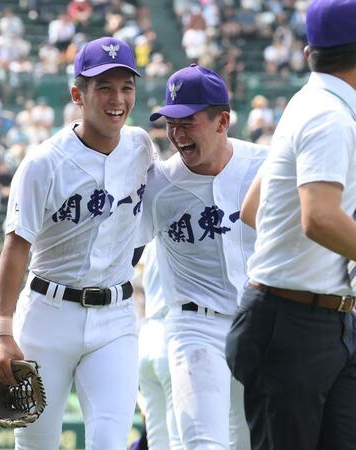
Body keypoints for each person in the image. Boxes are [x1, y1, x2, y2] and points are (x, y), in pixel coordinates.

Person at [0, 36, 157, 450]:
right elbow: (16, 245)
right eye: (104, 87)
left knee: (110, 442)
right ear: (78, 95)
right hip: (48, 315)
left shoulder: (141, 146)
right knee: (36, 444)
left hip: (116, 318)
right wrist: (2, 330)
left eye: (126, 87)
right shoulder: (44, 162)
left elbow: (141, 226)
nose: (117, 98)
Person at [225, 1, 356, 449]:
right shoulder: (330, 115)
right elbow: (319, 216)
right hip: (293, 324)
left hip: (311, 317)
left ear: (308, 53)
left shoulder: (310, 102)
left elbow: (253, 208)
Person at [136, 64, 267, 450]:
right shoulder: (158, 185)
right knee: (203, 443)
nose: (176, 133)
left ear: (222, 121)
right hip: (194, 327)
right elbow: (120, 251)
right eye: (170, 122)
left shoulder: (267, 166)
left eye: (187, 121)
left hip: (257, 325)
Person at [138, 240, 182, 450]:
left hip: (147, 335)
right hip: (173, 333)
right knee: (180, 438)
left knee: (157, 440)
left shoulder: (152, 240)